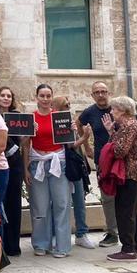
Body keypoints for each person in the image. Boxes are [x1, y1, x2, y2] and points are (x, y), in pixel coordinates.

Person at [77, 81, 137, 248]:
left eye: (104, 91)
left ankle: (129, 247)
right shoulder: (90, 112)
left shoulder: (127, 120)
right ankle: (123, 237)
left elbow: (121, 149)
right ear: (92, 95)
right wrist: (87, 144)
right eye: (97, 92)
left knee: (126, 208)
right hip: (107, 164)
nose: (101, 95)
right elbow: (79, 124)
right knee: (114, 202)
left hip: (126, 168)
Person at [23, 84, 71, 258]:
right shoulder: (31, 118)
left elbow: (69, 143)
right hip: (38, 164)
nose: (45, 99)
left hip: (59, 163)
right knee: (40, 206)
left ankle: (62, 246)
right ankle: (41, 243)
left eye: (48, 96)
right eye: (42, 96)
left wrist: (73, 132)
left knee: (61, 204)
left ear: (52, 98)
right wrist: (26, 169)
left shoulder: (59, 117)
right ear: (36, 97)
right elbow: (25, 145)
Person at [105, 96, 137, 262]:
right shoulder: (129, 125)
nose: (111, 112)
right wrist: (112, 132)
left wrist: (113, 135)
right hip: (135, 174)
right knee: (132, 210)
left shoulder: (129, 126)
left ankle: (128, 250)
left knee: (124, 211)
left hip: (130, 174)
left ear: (122, 110)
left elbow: (119, 151)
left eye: (114, 109)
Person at [52, 96, 95, 250]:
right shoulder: (55, 121)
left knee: (79, 200)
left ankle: (81, 233)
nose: (68, 107)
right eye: (65, 105)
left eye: (69, 104)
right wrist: (85, 137)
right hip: (61, 164)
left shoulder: (70, 120)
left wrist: (80, 136)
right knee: (59, 203)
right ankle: (56, 235)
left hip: (75, 165)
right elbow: (70, 145)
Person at [0, 86, 26, 256]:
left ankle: (13, 245)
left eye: (9, 96)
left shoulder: (18, 116)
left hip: (15, 163)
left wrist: (29, 131)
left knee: (13, 203)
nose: (5, 98)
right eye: (3, 95)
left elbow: (22, 141)